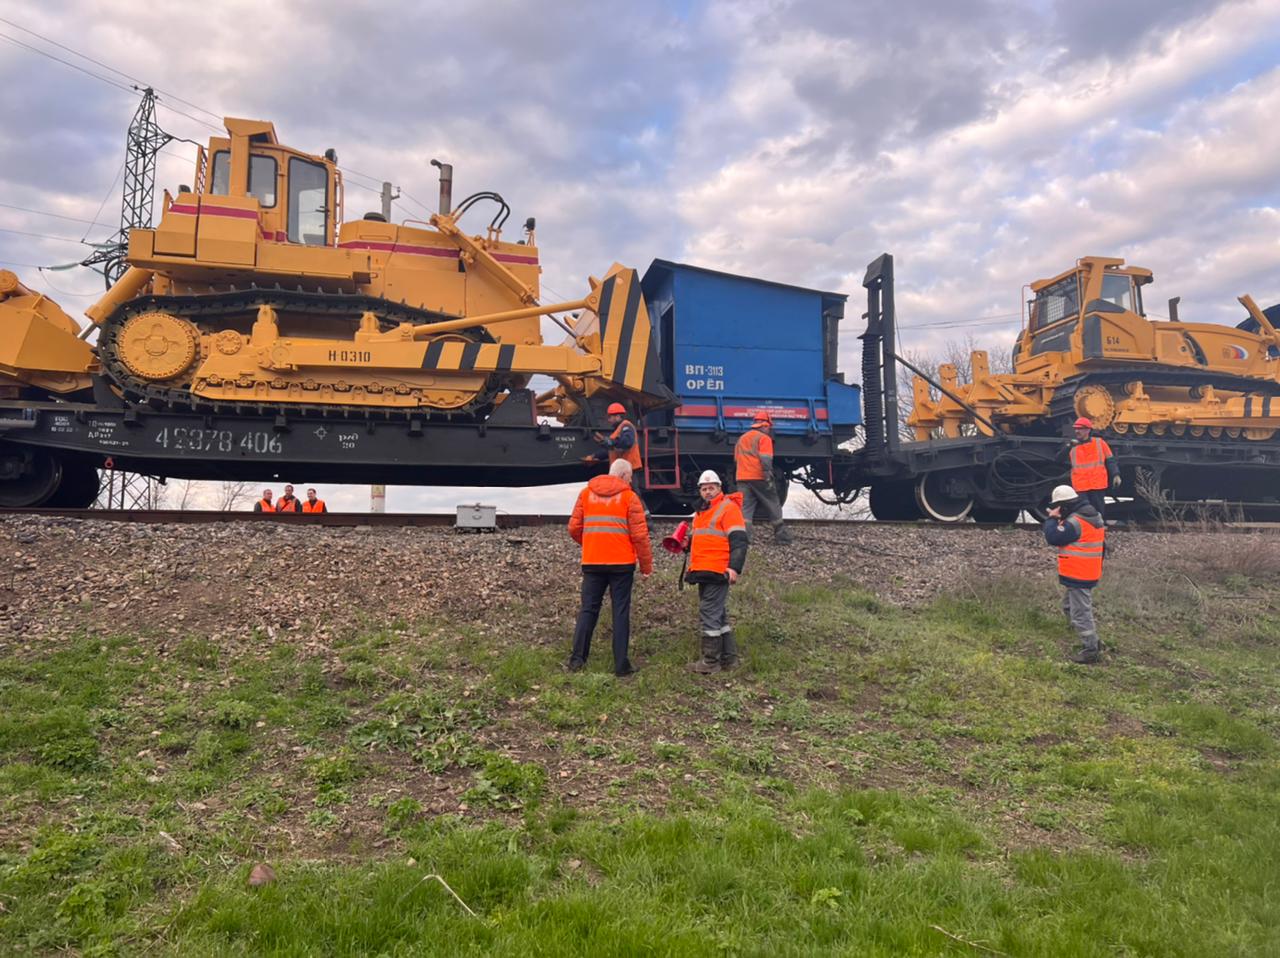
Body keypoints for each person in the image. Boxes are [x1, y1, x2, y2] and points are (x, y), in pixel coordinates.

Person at [566, 458, 653, 677]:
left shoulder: (586, 494)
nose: (631, 481)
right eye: (630, 477)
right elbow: (640, 536)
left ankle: (577, 661)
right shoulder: (630, 498)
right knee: (620, 613)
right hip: (622, 565)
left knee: (588, 610)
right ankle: (621, 666)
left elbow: (574, 528)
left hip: (592, 562)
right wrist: (646, 566)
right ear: (624, 476)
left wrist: (591, 543)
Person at [685, 470, 749, 674]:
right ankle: (729, 659)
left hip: (717, 569)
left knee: (709, 613)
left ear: (720, 488)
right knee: (718, 615)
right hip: (704, 569)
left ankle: (710, 662)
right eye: (704, 489)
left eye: (711, 487)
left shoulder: (728, 508)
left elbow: (739, 541)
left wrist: (734, 568)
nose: (708, 492)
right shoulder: (702, 512)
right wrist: (687, 544)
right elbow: (703, 539)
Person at [1043, 484, 1106, 664]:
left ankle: (1091, 649)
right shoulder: (1093, 515)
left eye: (1059, 506)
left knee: (1080, 613)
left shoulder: (1076, 522)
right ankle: (1086, 637)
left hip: (1079, 574)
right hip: (1087, 571)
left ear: (1065, 505)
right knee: (1069, 606)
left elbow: (1053, 537)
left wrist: (1051, 519)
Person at [734, 410, 792, 545]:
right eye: (769, 428)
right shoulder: (763, 438)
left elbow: (736, 459)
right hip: (758, 476)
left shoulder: (742, 438)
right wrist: (768, 476)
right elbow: (766, 459)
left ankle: (744, 539)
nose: (769, 431)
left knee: (745, 509)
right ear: (765, 426)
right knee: (772, 503)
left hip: (742, 477)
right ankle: (781, 537)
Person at [1068, 417, 1119, 518]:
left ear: (1087, 430)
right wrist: (1068, 446)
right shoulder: (1072, 446)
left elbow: (1110, 460)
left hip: (1097, 484)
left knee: (1098, 511)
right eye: (1075, 429)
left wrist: (1116, 474)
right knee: (1082, 512)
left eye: (1079, 429)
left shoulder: (1100, 443)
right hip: (1081, 485)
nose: (1076, 431)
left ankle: (1098, 531)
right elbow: (1058, 459)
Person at [589, 402, 642, 476]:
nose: (608, 420)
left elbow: (627, 442)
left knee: (629, 488)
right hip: (622, 469)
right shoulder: (617, 431)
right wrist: (595, 456)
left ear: (617, 416)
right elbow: (611, 450)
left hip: (629, 469)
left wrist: (610, 441)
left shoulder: (626, 426)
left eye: (610, 417)